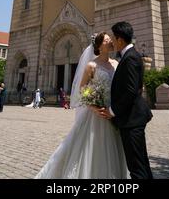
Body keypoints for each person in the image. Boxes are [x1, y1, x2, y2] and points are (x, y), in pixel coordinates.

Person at [35, 32, 128, 179]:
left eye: (111, 39)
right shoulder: (91, 65)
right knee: (92, 147)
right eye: (107, 40)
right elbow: (82, 90)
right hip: (96, 114)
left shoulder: (117, 63)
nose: (111, 41)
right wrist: (94, 106)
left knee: (114, 149)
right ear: (98, 46)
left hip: (112, 112)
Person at [99, 22, 153, 180]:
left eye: (114, 39)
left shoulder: (130, 59)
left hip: (132, 120)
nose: (112, 43)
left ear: (120, 40)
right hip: (132, 119)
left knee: (136, 167)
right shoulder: (131, 56)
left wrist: (112, 111)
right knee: (141, 163)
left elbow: (130, 91)